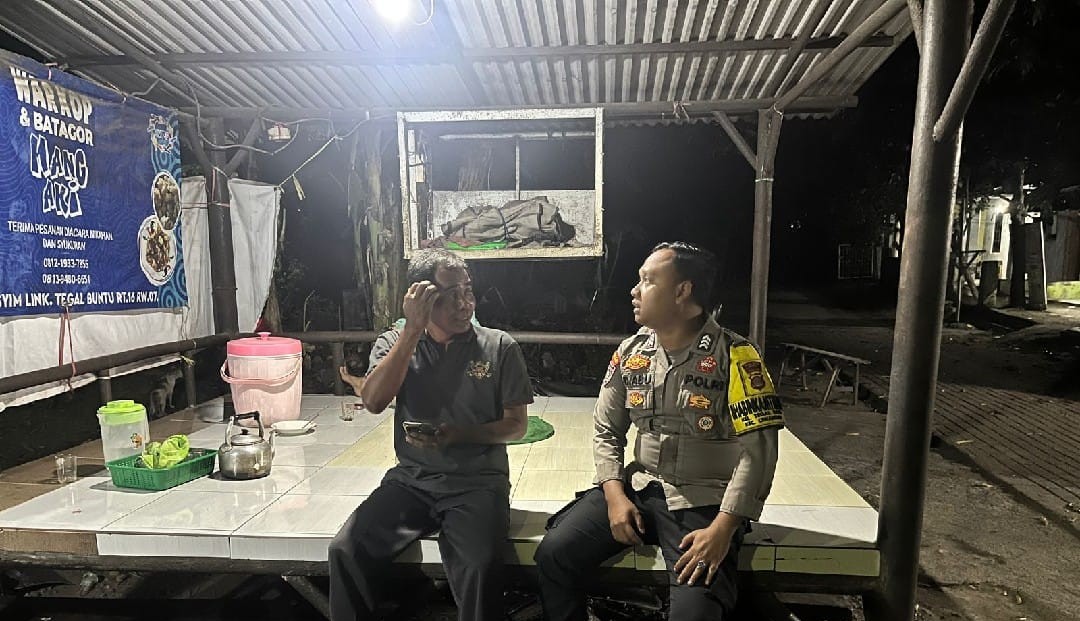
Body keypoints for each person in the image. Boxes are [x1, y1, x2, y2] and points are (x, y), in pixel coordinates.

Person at [534, 241, 784, 620]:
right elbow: (606, 428)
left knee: (695, 613)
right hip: (637, 490)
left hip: (701, 503)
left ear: (682, 291)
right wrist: (614, 496)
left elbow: (759, 451)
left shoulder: (735, 356)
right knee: (553, 554)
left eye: (648, 281)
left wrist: (723, 529)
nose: (634, 291)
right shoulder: (631, 352)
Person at [329, 248, 533, 621]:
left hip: (477, 484)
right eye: (451, 295)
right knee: (346, 550)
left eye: (468, 291)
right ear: (422, 297)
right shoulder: (396, 343)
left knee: (478, 566)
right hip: (412, 481)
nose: (465, 303)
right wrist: (412, 329)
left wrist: (459, 435)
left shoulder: (499, 347)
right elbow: (373, 401)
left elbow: (516, 426)